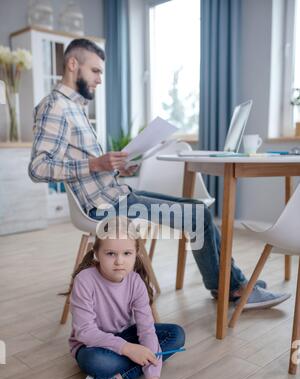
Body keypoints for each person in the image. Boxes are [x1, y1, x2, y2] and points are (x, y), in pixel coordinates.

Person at [29, 37, 290, 310]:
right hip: (105, 208)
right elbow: (38, 168)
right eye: (95, 71)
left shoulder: (75, 108)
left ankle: (230, 284)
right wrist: (96, 164)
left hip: (117, 196)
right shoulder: (55, 106)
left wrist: (116, 166)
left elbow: (85, 165)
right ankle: (231, 288)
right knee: (198, 215)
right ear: (73, 64)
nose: (99, 79)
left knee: (197, 210)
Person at [68, 216, 185, 379]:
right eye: (111, 253)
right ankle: (130, 366)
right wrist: (129, 349)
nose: (119, 261)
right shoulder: (85, 280)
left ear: (136, 253)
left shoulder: (136, 282)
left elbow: (147, 330)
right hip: (92, 345)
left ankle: (117, 378)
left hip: (125, 335)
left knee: (176, 335)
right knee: (96, 362)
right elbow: (85, 332)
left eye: (127, 253)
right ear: (96, 253)